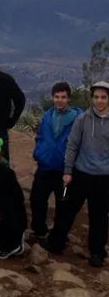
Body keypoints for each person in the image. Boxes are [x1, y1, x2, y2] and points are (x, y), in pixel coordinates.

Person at [45, 81, 109, 267]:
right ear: (92, 98)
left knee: (99, 216)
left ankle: (97, 253)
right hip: (81, 172)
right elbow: (72, 146)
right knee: (67, 209)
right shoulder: (83, 119)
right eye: (96, 97)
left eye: (103, 97)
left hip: (103, 177)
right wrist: (67, 171)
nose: (99, 101)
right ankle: (56, 243)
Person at [30, 82, 82, 240]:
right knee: (37, 198)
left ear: (69, 98)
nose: (59, 100)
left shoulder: (78, 118)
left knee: (63, 204)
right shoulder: (47, 116)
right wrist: (39, 153)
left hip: (64, 169)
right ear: (52, 98)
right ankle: (39, 231)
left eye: (63, 97)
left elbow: (81, 143)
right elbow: (40, 137)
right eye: (56, 97)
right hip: (45, 166)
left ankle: (58, 236)